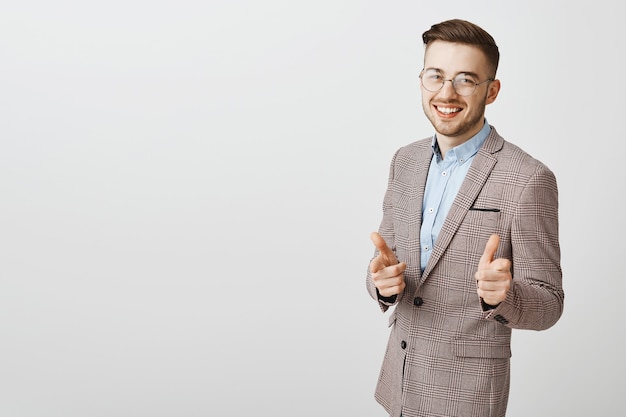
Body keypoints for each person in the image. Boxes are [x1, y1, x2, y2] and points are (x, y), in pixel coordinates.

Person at [366, 19, 564, 417]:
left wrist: (505, 295)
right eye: (435, 76)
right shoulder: (405, 161)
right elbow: (383, 264)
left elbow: (550, 303)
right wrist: (383, 285)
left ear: (491, 90)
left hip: (467, 399)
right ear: (421, 79)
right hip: (397, 387)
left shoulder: (528, 179)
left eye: (465, 80)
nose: (446, 93)